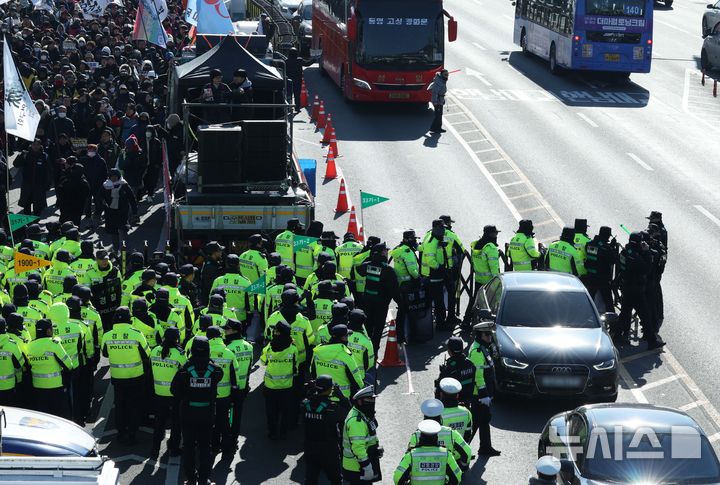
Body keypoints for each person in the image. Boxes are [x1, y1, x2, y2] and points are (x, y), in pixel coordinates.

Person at [171, 336, 223, 485]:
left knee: (188, 446)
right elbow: (218, 377)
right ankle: (204, 478)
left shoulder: (185, 370)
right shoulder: (215, 370)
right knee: (205, 447)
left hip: (188, 412)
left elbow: (174, 389)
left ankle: (190, 479)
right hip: (207, 412)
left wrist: (185, 396)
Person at [101, 306, 150, 445]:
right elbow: (147, 355)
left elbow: (104, 354)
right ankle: (132, 433)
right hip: (136, 376)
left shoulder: (107, 335)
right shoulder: (136, 333)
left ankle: (121, 432)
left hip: (117, 377)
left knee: (120, 405)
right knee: (135, 405)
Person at [615, 232, 663, 349]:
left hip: (626, 287)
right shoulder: (634, 256)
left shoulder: (625, 252)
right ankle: (652, 341)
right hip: (635, 289)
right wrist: (646, 252)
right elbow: (646, 269)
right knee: (645, 315)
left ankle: (617, 336)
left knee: (625, 314)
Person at [302, 375, 352, 485]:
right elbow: (350, 414)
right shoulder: (332, 408)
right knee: (336, 480)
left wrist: (311, 390)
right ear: (330, 390)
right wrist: (342, 397)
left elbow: (307, 401)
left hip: (310, 447)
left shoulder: (306, 404)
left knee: (310, 479)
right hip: (329, 450)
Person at [149, 327, 186, 458]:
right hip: (175, 395)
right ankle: (174, 448)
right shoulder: (180, 354)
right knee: (176, 423)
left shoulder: (154, 350)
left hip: (159, 393)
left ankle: (155, 448)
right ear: (177, 338)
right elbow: (184, 373)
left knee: (159, 422)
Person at [25, 318, 73, 418]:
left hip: (38, 388)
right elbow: (69, 365)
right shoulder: (53, 344)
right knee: (61, 418)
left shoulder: (30, 346)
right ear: (48, 331)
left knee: (44, 419)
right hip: (56, 387)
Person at [203, 326, 239, 458]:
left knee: (209, 422)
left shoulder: (205, 351)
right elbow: (235, 375)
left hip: (208, 394)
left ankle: (213, 446)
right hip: (225, 395)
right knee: (223, 421)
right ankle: (226, 448)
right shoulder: (229, 353)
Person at [357, 242, 399, 352]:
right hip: (381, 304)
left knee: (367, 327)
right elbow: (394, 290)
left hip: (367, 302)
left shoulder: (368, 265)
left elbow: (359, 269)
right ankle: (374, 351)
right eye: (386, 251)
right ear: (382, 253)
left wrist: (371, 258)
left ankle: (365, 350)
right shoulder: (388, 270)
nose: (387, 253)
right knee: (378, 329)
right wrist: (402, 304)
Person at [408, 399, 471, 471]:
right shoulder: (451, 433)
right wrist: (462, 467)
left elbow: (409, 458)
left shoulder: (416, 435)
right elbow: (467, 452)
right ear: (440, 417)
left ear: (424, 418)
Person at [393, 419, 462, 485]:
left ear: (420, 438)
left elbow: (397, 478)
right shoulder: (446, 455)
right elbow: (457, 477)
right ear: (436, 438)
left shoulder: (411, 455)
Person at [261, 320, 298, 439]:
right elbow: (295, 367)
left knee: (272, 412)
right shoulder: (293, 349)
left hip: (270, 386)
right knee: (285, 411)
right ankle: (283, 433)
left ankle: (272, 433)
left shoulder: (269, 348)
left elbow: (262, 362)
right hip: (287, 386)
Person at [468, 322, 501, 456]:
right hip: (479, 395)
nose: (489, 337)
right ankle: (461, 449)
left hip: (485, 393)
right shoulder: (477, 351)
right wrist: (483, 394)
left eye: (490, 334)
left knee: (484, 419)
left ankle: (485, 447)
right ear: (480, 335)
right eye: (487, 334)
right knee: (474, 423)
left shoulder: (483, 348)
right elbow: (478, 375)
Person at [311, 323, 365, 400]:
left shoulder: (318, 350)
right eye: (347, 336)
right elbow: (355, 378)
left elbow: (312, 372)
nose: (348, 338)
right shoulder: (345, 354)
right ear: (343, 338)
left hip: (321, 396)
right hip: (341, 397)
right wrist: (362, 390)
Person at [342, 386, 382, 483]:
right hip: (357, 468)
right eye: (369, 400)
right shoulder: (357, 421)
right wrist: (367, 467)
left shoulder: (363, 413)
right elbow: (358, 448)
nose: (372, 402)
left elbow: (370, 434)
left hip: (360, 465)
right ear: (360, 402)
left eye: (373, 399)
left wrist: (375, 448)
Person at [463, 225, 501, 324]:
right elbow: (493, 266)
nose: (497, 235)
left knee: (474, 301)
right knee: (492, 304)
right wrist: (498, 279)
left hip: (479, 279)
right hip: (489, 281)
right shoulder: (490, 247)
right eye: (496, 233)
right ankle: (488, 324)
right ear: (491, 234)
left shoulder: (477, 245)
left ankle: (466, 321)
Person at [224, 318, 253, 439]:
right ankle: (234, 437)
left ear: (234, 331)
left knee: (224, 414)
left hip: (228, 387)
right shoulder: (249, 346)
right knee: (237, 415)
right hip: (243, 386)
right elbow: (250, 366)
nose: (225, 332)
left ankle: (226, 437)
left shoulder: (228, 348)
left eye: (227, 329)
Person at [390, 230, 420, 344]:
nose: (415, 241)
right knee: (412, 311)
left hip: (399, 285)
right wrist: (419, 279)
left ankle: (400, 335)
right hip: (408, 285)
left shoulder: (399, 249)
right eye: (413, 239)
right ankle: (412, 336)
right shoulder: (407, 252)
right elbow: (412, 270)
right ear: (407, 239)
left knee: (402, 311)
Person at [419, 221, 448, 329]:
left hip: (429, 275)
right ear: (436, 228)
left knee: (429, 300)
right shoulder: (433, 241)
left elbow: (422, 248)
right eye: (442, 228)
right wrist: (439, 267)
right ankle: (440, 324)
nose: (444, 230)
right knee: (438, 301)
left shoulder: (430, 236)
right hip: (433, 275)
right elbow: (430, 259)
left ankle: (427, 322)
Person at [87, 249, 123, 331]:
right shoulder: (89, 273)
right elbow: (86, 292)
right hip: (98, 308)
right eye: (101, 259)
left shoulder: (115, 271)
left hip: (113, 307)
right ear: (96, 259)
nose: (104, 261)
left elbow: (120, 290)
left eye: (106, 259)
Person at [103, 168, 138, 249]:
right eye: (112, 176)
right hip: (110, 213)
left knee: (123, 231)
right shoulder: (105, 185)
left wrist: (134, 211)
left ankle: (126, 250)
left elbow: (132, 198)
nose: (114, 178)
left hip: (122, 211)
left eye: (115, 176)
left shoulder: (124, 185)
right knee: (113, 232)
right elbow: (100, 196)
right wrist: (103, 202)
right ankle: (116, 249)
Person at [584, 226, 617, 313]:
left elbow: (597, 253)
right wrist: (612, 247)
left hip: (590, 276)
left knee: (589, 301)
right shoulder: (606, 248)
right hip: (602, 278)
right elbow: (613, 259)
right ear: (607, 235)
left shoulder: (589, 244)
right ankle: (613, 325)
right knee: (608, 303)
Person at [14, 139, 50, 216]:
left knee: (38, 207)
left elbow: (48, 171)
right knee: (27, 207)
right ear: (31, 145)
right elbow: (16, 164)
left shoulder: (44, 156)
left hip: (39, 186)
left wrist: (47, 184)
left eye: (37, 145)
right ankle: (28, 224)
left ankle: (35, 224)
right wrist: (20, 156)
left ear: (40, 146)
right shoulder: (26, 154)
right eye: (34, 144)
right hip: (27, 185)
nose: (35, 146)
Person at [436, 336, 475, 405]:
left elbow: (440, 389)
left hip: (452, 404)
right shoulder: (471, 364)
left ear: (449, 350)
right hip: (467, 402)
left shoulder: (449, 368)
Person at [438, 377, 473, 444]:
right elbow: (468, 434)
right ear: (457, 395)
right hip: (460, 450)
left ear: (441, 395)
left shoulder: (438, 414)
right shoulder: (466, 412)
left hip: (444, 452)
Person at [200, 241, 224, 306]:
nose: (221, 253)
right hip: (210, 301)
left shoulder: (214, 264)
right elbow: (210, 286)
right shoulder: (210, 267)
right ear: (214, 253)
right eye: (220, 251)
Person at [429, 70, 449, 134]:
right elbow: (434, 93)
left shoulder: (442, 80)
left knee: (439, 114)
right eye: (445, 75)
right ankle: (435, 128)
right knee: (438, 115)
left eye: (447, 74)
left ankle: (436, 128)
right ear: (441, 75)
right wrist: (435, 102)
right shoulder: (438, 82)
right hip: (437, 101)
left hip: (440, 100)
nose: (447, 76)